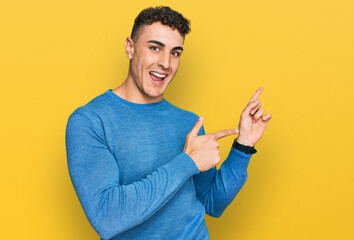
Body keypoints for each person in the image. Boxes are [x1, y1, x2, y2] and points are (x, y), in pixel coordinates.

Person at [65, 6, 272, 240]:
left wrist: (244, 145)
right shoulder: (89, 121)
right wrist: (187, 162)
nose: (165, 63)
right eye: (155, 48)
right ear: (130, 48)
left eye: (175, 52)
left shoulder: (189, 122)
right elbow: (107, 216)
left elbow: (212, 203)